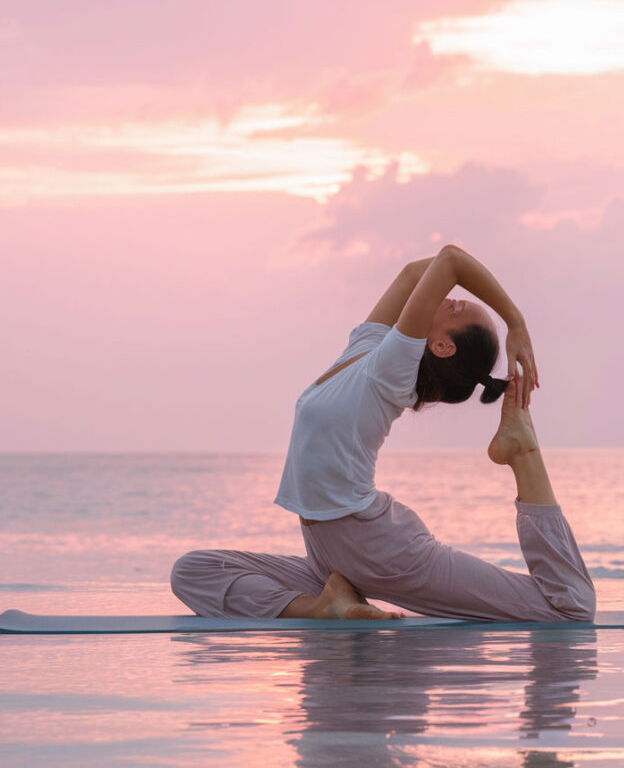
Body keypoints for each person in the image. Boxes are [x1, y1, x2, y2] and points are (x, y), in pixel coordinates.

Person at [171, 244, 596, 622]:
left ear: (442, 346)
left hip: (381, 551)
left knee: (567, 606)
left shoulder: (392, 370)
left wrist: (515, 323)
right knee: (193, 571)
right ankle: (326, 606)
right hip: (331, 553)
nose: (450, 297)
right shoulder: (367, 349)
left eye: (454, 309)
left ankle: (521, 448)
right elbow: (416, 273)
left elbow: (450, 260)